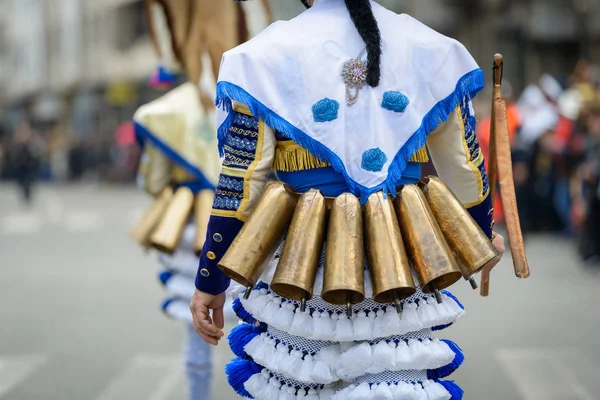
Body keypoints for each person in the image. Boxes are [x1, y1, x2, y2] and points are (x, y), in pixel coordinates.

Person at [191, 0, 505, 398]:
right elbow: (465, 167)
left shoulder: (260, 57)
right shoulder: (434, 49)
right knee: (393, 384)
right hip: (406, 249)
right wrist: (478, 233)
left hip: (302, 259)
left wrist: (211, 278)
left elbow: (242, 181)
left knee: (303, 382)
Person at [131, 1, 271, 399]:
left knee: (197, 333)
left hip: (193, 226)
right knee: (265, 333)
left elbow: (153, 180)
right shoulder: (257, 91)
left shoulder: (165, 113)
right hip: (253, 225)